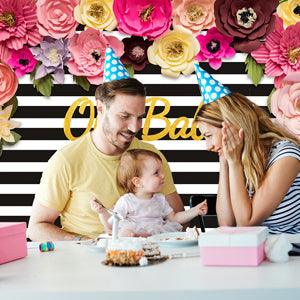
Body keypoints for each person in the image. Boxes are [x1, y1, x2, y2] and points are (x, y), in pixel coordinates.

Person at [27, 77, 185, 241]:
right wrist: (86, 243)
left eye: (139, 117)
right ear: (101, 108)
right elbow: (37, 228)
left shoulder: (151, 156)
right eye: (125, 116)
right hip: (86, 261)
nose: (134, 127)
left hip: (147, 257)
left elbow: (178, 220)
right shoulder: (66, 160)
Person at [193, 63, 300, 251]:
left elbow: (246, 224)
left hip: (290, 258)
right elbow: (226, 225)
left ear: (232, 126)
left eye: (208, 135)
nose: (207, 146)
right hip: (256, 254)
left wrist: (233, 163)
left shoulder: (286, 156)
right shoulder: (243, 158)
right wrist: (225, 161)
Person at [91, 149, 208, 237]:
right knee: (124, 233)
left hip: (156, 236)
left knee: (177, 234)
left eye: (161, 171)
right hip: (135, 237)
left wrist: (195, 211)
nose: (162, 175)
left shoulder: (160, 199)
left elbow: (174, 218)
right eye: (156, 173)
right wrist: (102, 212)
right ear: (138, 182)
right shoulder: (127, 201)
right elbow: (112, 224)